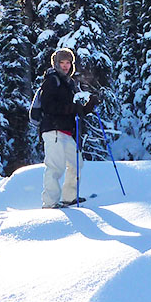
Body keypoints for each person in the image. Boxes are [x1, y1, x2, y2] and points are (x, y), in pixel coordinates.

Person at [38, 48, 98, 208]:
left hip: (66, 131)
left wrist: (88, 106)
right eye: (62, 63)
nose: (65, 66)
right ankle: (49, 203)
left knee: (76, 163)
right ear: (56, 63)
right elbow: (48, 106)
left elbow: (75, 111)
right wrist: (72, 108)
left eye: (68, 63)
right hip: (53, 130)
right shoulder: (52, 81)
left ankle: (70, 197)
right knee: (55, 167)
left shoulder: (69, 83)